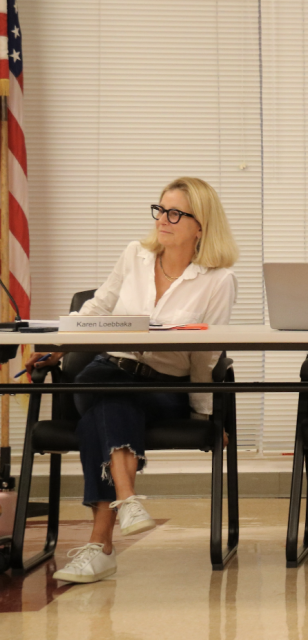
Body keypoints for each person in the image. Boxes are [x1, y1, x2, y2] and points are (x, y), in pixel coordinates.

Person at [30, 177, 239, 585]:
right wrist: (60, 342)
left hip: (165, 388)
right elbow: (99, 306)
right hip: (110, 369)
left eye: (175, 212)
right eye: (160, 210)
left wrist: (205, 413)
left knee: (100, 407)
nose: (164, 219)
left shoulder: (218, 279)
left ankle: (102, 547)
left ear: (201, 225)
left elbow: (207, 354)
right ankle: (126, 501)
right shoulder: (135, 255)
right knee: (106, 388)